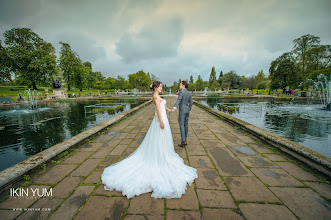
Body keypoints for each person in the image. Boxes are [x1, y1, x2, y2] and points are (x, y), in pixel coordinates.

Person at [101, 81, 198, 199]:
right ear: (156, 88)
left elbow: (162, 106)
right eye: (161, 86)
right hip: (160, 121)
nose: (162, 87)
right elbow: (158, 110)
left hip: (163, 119)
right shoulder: (155, 97)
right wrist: (161, 122)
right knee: (159, 138)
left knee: (164, 140)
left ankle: (163, 153)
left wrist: (168, 109)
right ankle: (159, 157)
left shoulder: (158, 96)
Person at [171, 81, 193, 147]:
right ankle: (185, 139)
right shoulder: (189, 93)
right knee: (186, 125)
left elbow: (179, 100)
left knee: (181, 125)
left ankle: (183, 141)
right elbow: (191, 102)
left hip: (182, 111)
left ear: (183, 85)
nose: (179, 86)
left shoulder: (181, 92)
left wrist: (174, 108)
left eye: (180, 85)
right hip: (187, 110)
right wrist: (189, 109)